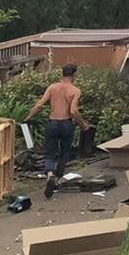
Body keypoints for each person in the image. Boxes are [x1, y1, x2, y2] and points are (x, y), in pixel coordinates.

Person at [25, 64, 91, 199]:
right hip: (67, 124)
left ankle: (49, 175)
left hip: (53, 123)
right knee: (64, 152)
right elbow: (73, 111)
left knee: (50, 152)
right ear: (73, 75)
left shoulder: (52, 87)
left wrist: (28, 117)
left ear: (62, 74)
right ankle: (58, 177)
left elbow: (39, 105)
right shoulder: (75, 90)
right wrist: (83, 125)